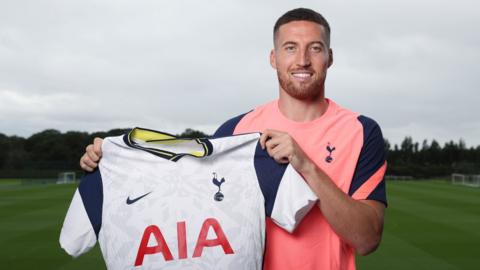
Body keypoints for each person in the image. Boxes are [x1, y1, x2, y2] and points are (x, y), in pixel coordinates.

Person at [80, 8, 387, 270]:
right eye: (290, 47)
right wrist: (112, 152)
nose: (302, 60)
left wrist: (305, 165)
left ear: (329, 57)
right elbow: (183, 164)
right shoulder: (238, 129)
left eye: (315, 48)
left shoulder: (361, 131)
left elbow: (367, 239)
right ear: (273, 57)